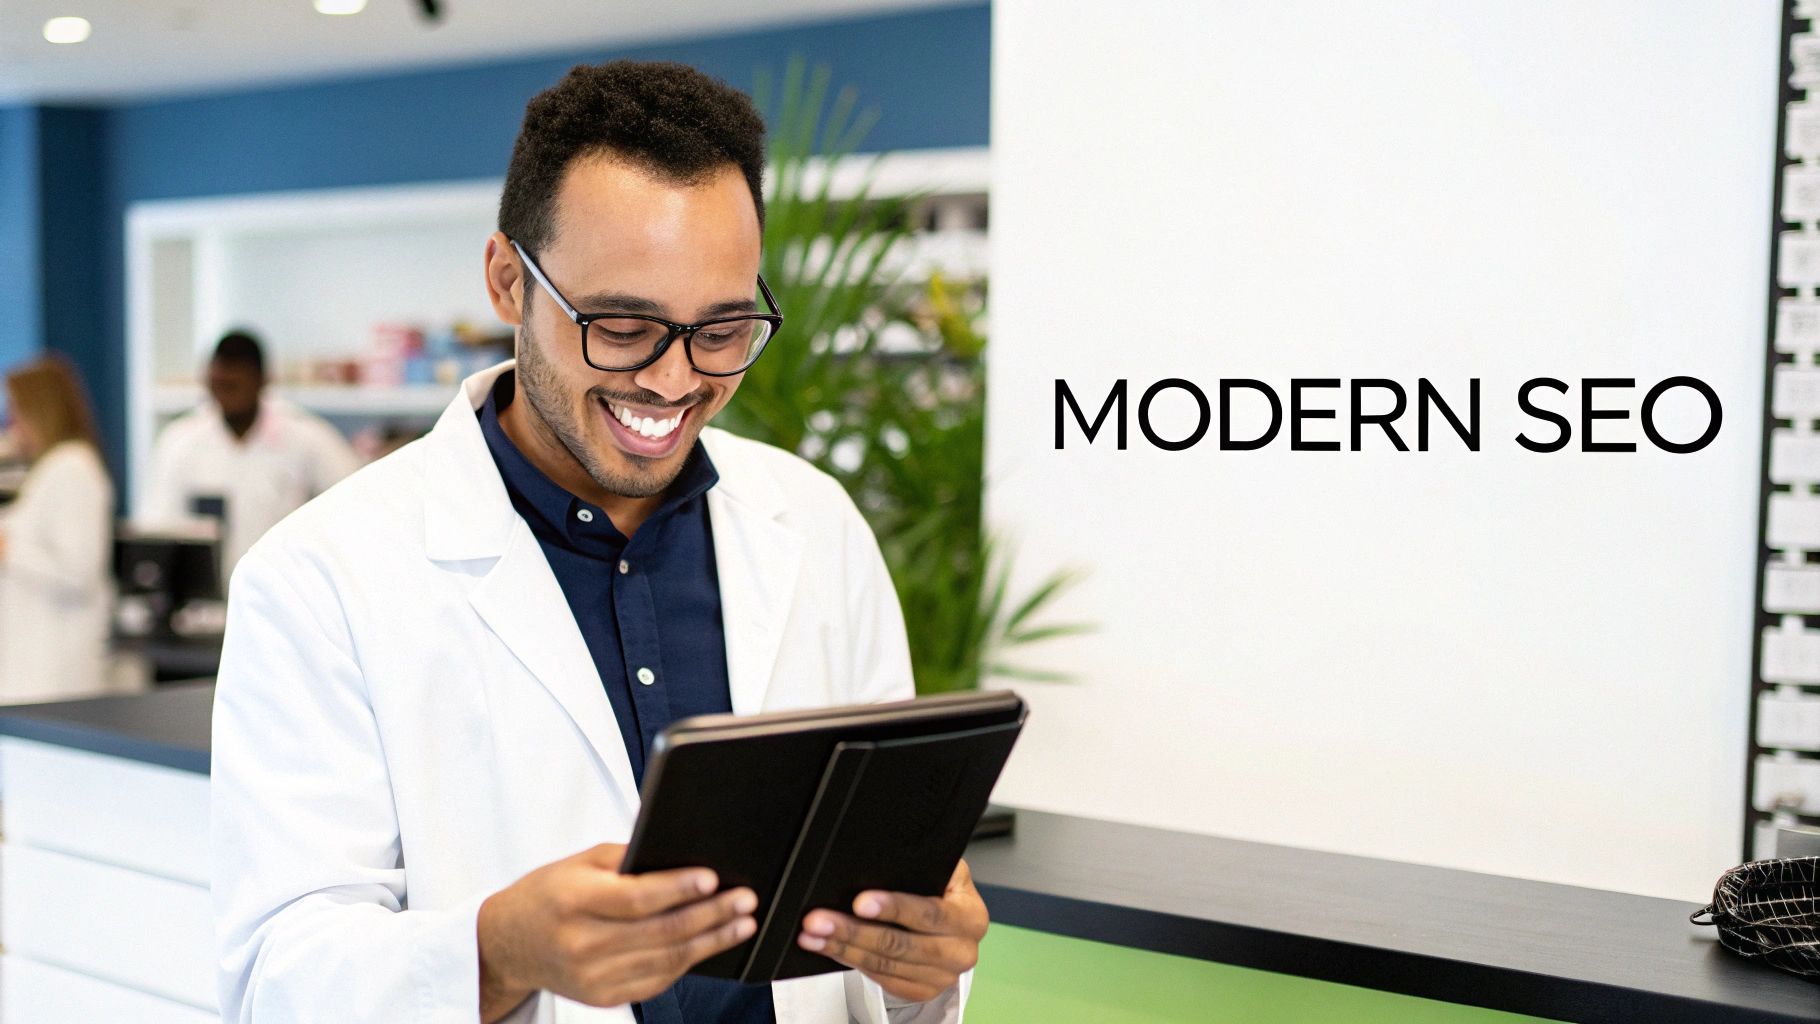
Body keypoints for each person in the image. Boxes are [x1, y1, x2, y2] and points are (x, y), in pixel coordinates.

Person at [212, 61, 985, 1024]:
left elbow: (884, 911)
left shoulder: (815, 526)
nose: (672, 381)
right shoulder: (320, 577)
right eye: (621, 326)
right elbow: (276, 980)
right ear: (508, 281)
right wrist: (495, 953)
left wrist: (925, 968)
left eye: (723, 328)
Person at [144, 330, 359, 577]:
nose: (226, 396)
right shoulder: (180, 441)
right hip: (206, 602)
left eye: (235, 385)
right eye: (219, 385)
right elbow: (157, 529)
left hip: (283, 590)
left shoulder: (306, 438)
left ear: (262, 380)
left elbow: (354, 504)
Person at [0, 355, 115, 702]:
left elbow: (79, 571)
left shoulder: (73, 468)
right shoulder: (47, 469)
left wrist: (8, 548)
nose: (13, 426)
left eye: (18, 413)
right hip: (31, 672)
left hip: (54, 678)